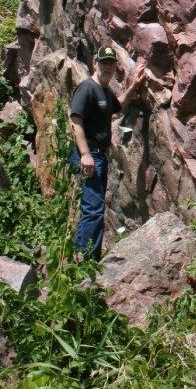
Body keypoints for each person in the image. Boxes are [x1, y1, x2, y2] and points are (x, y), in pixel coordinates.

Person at [68, 45, 146, 259]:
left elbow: (116, 107)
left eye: (111, 63)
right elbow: (76, 120)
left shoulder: (104, 90)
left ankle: (79, 258)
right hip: (89, 154)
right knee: (93, 209)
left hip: (98, 155)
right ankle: (86, 263)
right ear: (95, 63)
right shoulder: (87, 88)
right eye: (104, 62)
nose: (107, 67)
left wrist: (133, 87)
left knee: (93, 208)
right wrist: (85, 154)